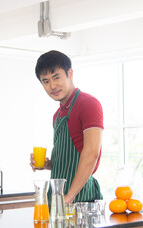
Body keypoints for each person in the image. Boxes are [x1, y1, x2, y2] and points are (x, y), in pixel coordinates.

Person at [30, 50, 103, 204]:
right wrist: (48, 164)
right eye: (46, 81)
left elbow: (91, 154)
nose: (52, 86)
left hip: (80, 200)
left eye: (56, 77)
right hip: (57, 198)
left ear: (70, 73)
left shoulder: (88, 104)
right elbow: (67, 161)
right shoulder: (57, 115)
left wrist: (69, 197)